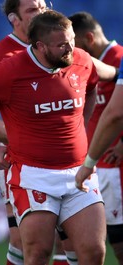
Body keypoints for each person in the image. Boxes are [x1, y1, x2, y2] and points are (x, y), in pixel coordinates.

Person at [0, 10, 106, 265]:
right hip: (33, 176)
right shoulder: (10, 70)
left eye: (71, 40)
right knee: (37, 253)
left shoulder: (80, 59)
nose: (70, 48)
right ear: (39, 46)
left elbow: (91, 87)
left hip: (79, 171)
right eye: (61, 45)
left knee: (94, 252)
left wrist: (82, 124)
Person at [0, 1, 74, 264]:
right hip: (23, 165)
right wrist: (35, 140)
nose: (42, 12)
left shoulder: (60, 47)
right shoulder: (2, 58)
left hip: (64, 162)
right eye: (33, 9)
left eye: (44, 5)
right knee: (24, 242)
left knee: (70, 241)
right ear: (14, 19)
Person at [69, 11, 123, 264]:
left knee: (118, 239)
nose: (71, 53)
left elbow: (114, 114)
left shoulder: (119, 59)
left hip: (115, 165)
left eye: (75, 45)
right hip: (99, 165)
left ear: (89, 38)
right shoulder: (86, 68)